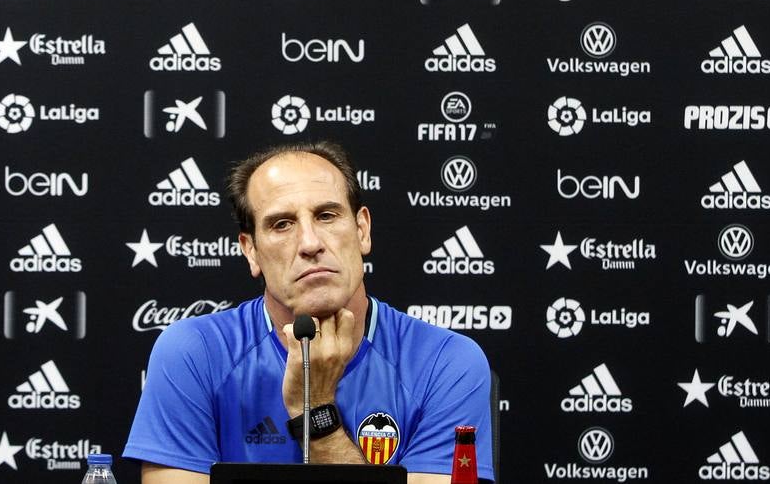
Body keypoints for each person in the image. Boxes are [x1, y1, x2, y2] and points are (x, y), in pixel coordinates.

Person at [124, 141, 494, 483]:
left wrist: (316, 413)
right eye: (281, 224)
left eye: (327, 215)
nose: (310, 243)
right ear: (250, 250)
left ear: (362, 230)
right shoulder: (193, 353)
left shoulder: (447, 363)